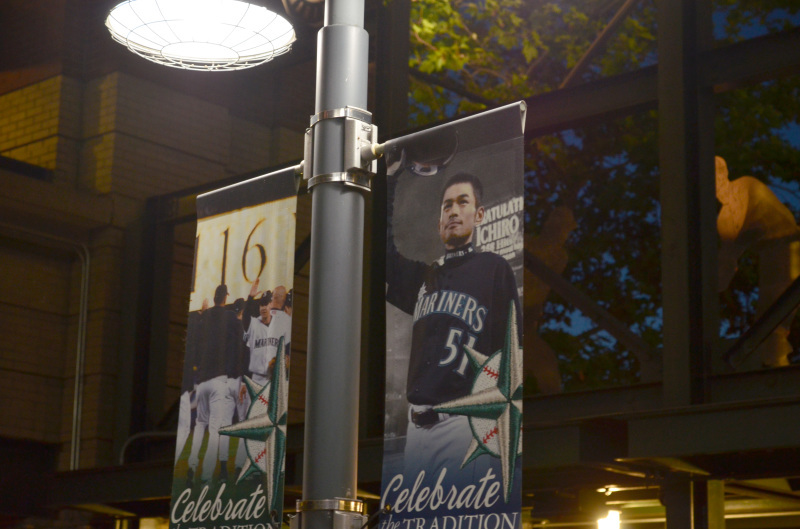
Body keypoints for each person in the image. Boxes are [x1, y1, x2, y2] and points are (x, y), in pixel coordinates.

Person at [386, 172, 522, 484]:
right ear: (439, 223)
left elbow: (512, 350)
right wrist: (390, 181)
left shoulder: (493, 268)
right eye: (447, 206)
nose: (453, 211)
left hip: (463, 424)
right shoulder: (426, 277)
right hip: (415, 426)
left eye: (463, 202)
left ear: (479, 214)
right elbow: (384, 257)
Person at [716, 156, 800, 367]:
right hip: (771, 258)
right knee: (769, 318)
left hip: (790, 246)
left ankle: (777, 365)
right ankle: (775, 366)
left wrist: (730, 256)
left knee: (776, 315)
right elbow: (728, 259)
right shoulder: (724, 221)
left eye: (715, 175)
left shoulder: (747, 187)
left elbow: (756, 230)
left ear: (723, 173)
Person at [187, 284, 243, 484]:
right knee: (214, 430)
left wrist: (202, 314)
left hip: (201, 381)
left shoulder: (205, 317)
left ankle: (192, 466)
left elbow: (194, 339)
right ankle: (206, 476)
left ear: (213, 297)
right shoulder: (229, 317)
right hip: (219, 380)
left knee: (199, 425)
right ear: (225, 298)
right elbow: (240, 336)